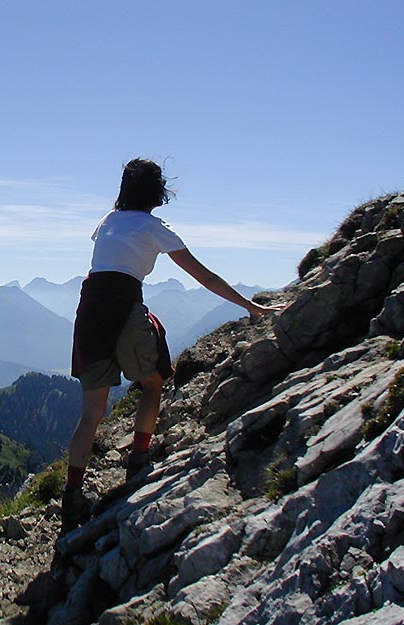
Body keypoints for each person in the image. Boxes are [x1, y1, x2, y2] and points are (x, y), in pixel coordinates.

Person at [61, 158, 281, 535]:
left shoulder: (106, 223)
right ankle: (139, 458)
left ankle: (72, 495)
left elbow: (104, 262)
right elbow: (204, 276)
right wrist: (249, 306)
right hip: (125, 307)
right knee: (153, 382)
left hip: (90, 309)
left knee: (91, 413)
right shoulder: (155, 228)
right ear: (158, 192)